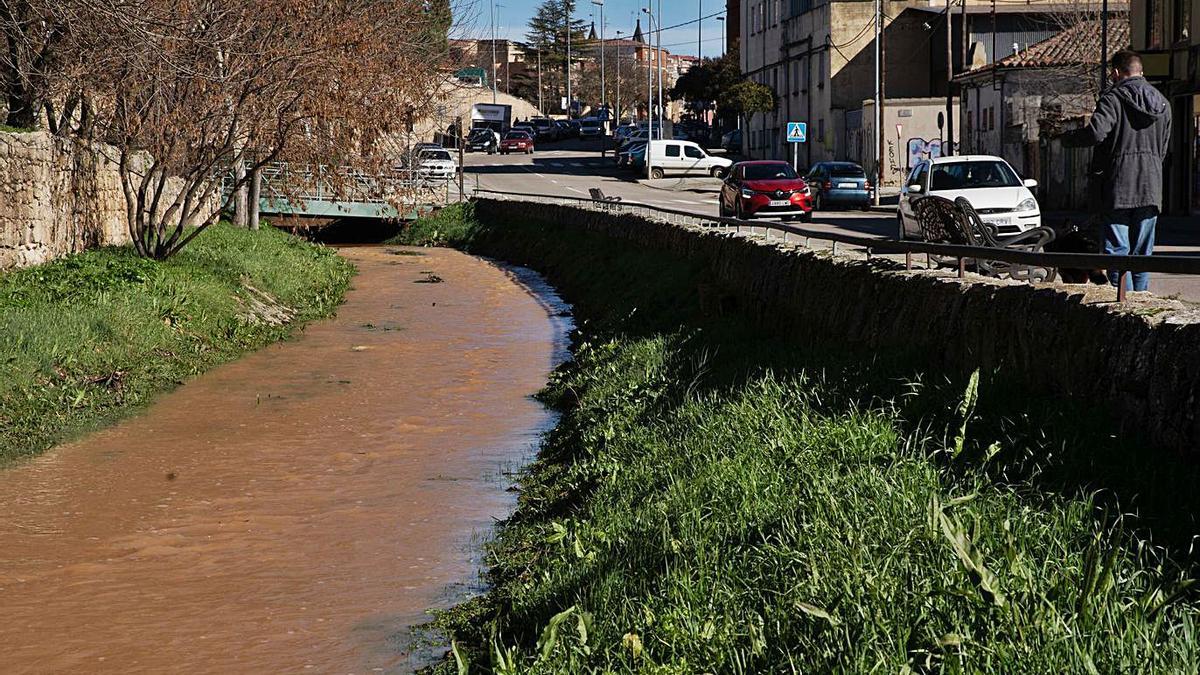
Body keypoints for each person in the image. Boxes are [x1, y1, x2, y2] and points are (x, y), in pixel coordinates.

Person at [1063, 50, 1171, 292]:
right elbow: (1163, 149)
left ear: (1115, 73)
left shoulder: (1113, 99)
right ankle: (1142, 300)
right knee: (1143, 253)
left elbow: (1096, 133)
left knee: (1117, 251)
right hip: (1151, 185)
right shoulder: (1164, 103)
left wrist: (1068, 138)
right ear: (1140, 72)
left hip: (1118, 185)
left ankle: (1126, 303)